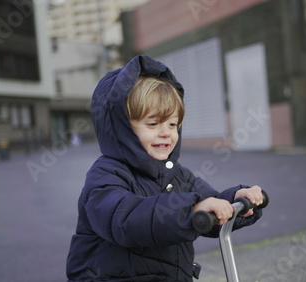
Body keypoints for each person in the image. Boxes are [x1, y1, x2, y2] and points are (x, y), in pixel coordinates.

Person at [66, 55, 264, 281]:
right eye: (153, 124)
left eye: (172, 124)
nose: (166, 133)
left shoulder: (178, 175)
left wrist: (234, 200)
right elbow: (126, 220)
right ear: (121, 128)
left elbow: (209, 201)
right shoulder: (107, 176)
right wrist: (189, 210)